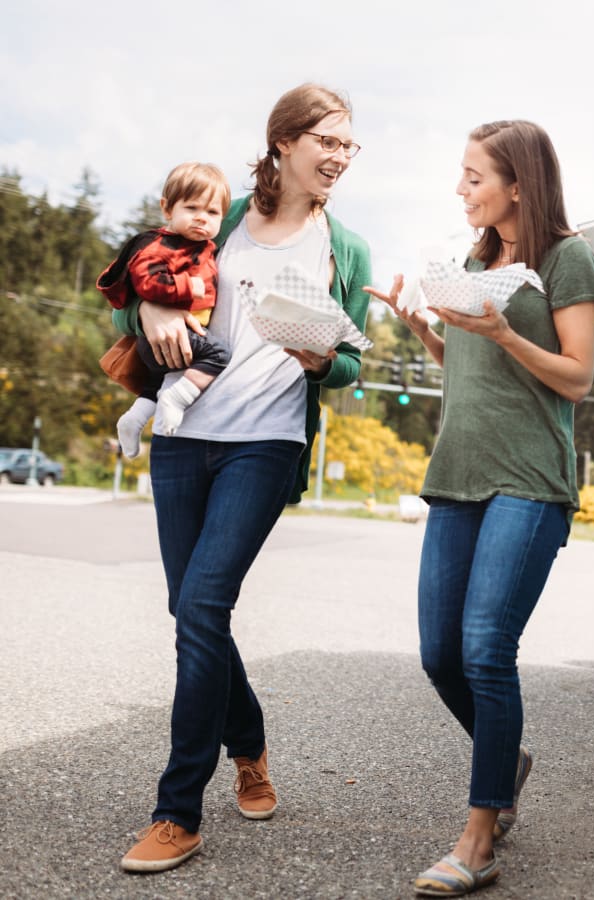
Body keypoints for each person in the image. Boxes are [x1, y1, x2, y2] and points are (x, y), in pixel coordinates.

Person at [111, 83, 371, 874]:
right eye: (327, 141)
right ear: (284, 143)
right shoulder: (220, 220)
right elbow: (136, 282)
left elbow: (354, 362)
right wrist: (149, 316)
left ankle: (177, 812)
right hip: (185, 434)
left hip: (267, 441)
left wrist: (325, 360)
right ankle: (249, 745)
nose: (339, 157)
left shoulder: (346, 247)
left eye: (348, 146)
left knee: (202, 602)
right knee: (187, 608)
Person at [366, 120, 594, 897]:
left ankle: (478, 837)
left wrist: (502, 329)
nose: (461, 189)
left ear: (518, 186)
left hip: (529, 481)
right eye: (463, 175)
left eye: (474, 177)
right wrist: (428, 334)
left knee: (484, 650)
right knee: (440, 655)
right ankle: (506, 763)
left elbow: (575, 379)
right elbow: (470, 366)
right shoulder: (475, 259)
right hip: (458, 475)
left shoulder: (569, 259)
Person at [97, 162, 233, 459]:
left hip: (169, 341)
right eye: (192, 208)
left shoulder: (199, 245)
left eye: (212, 213)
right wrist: (188, 287)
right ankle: (177, 399)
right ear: (168, 209)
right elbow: (146, 281)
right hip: (170, 334)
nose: (201, 218)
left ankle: (133, 419)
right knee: (219, 354)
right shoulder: (163, 245)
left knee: (155, 382)